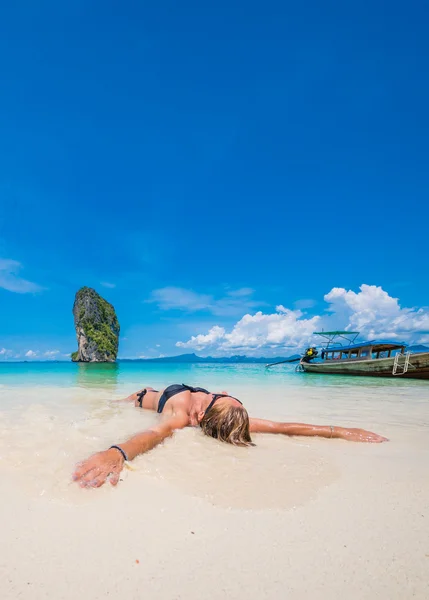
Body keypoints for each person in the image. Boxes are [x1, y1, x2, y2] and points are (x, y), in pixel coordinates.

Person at [72, 383, 388, 488]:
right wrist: (116, 452)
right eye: (236, 401)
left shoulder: (204, 413)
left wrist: (341, 431)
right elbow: (154, 432)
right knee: (113, 405)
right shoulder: (191, 412)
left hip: (162, 396)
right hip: (139, 398)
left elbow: (282, 427)